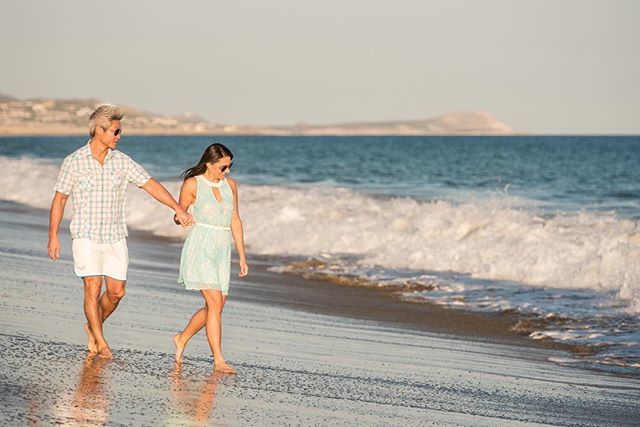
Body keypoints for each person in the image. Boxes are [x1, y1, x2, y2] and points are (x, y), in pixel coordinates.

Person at [47, 104, 193, 359]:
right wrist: (53, 236)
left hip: (115, 235)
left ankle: (93, 325)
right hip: (86, 234)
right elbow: (59, 199)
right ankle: (101, 343)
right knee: (92, 287)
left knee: (116, 292)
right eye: (115, 131)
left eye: (119, 131)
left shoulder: (122, 161)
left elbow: (150, 185)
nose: (118, 136)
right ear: (99, 130)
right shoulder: (74, 161)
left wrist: (178, 208)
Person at [172, 143, 248, 374]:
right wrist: (180, 218)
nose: (228, 172)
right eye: (223, 167)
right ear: (209, 164)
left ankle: (182, 338)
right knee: (215, 303)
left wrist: (242, 256)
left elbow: (235, 219)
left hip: (222, 249)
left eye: (230, 166)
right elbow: (179, 212)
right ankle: (219, 360)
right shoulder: (193, 184)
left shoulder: (231, 186)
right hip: (201, 245)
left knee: (217, 306)